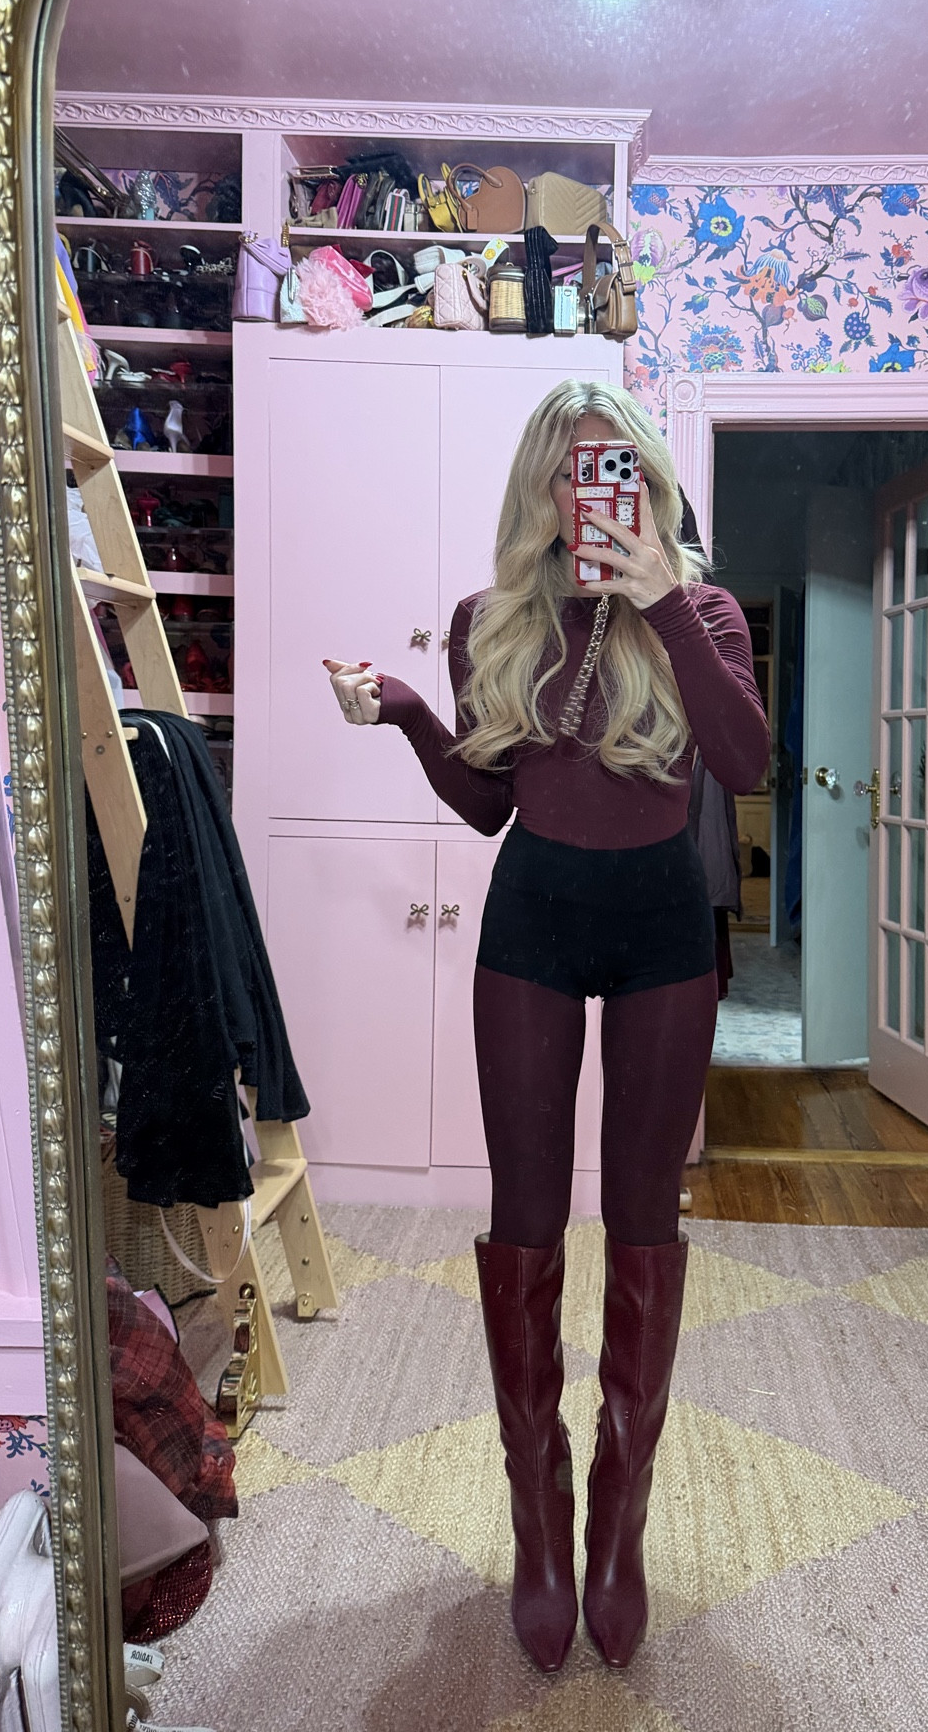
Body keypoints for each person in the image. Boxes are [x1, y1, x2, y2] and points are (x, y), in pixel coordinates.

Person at [324, 380, 769, 1673]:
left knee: (643, 1221)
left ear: (648, 484)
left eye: (616, 468)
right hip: (532, 922)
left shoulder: (704, 614)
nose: (595, 493)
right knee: (522, 1221)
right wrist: (408, 710)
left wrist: (659, 598)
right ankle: (540, 1509)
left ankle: (619, 1522)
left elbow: (744, 764)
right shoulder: (493, 621)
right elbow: (486, 806)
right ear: (541, 490)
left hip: (662, 930)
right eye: (574, 471)